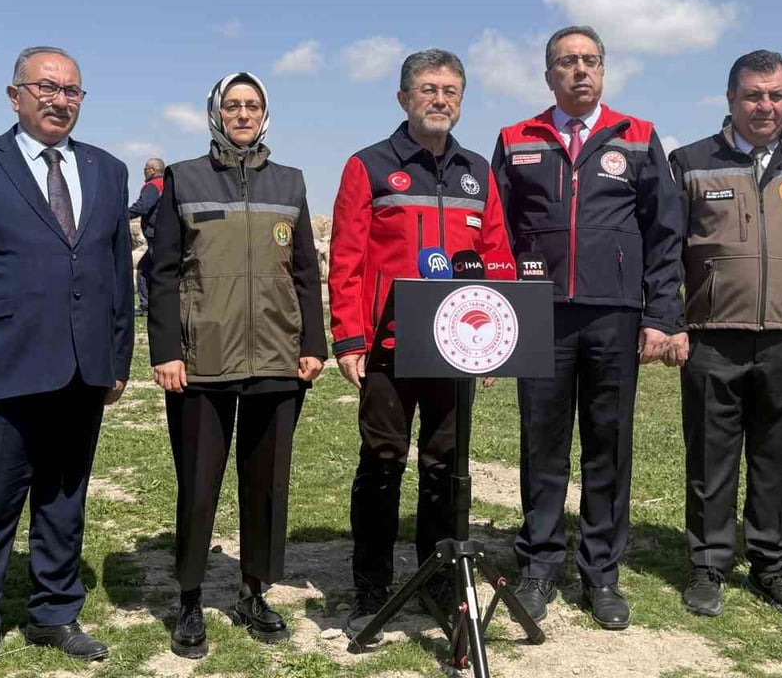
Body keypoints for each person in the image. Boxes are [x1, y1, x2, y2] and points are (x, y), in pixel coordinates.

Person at [0, 46, 133, 678]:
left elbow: (116, 271)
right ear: (15, 95)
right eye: (46, 87)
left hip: (81, 371)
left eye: (72, 91)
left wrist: (117, 355)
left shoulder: (107, 169)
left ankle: (55, 613)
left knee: (64, 502)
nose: (60, 100)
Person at [491, 25, 681, 629]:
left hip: (614, 316)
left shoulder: (641, 137)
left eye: (590, 61)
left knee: (608, 445)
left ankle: (602, 572)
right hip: (538, 314)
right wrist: (497, 320)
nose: (580, 70)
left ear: (604, 71)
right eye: (567, 62)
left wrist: (659, 315)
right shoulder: (516, 138)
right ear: (549, 74)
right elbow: (496, 233)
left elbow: (665, 234)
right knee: (542, 444)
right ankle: (540, 565)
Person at [329, 49, 511, 636]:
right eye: (429, 88)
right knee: (382, 465)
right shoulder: (369, 166)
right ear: (404, 97)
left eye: (452, 90)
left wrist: (493, 348)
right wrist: (349, 339)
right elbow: (348, 259)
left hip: (457, 352)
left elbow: (497, 262)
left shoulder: (478, 172)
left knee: (444, 469)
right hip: (386, 349)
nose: (440, 99)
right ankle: (372, 587)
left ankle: (435, 579)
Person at [667, 50, 782, 621]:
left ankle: (771, 564)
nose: (765, 106)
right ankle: (707, 564)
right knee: (710, 453)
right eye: (753, 95)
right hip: (711, 337)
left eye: (776, 95)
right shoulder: (691, 162)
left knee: (777, 456)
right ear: (730, 99)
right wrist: (670, 323)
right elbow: (665, 251)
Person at [147, 72, 325, 658]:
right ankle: (191, 599)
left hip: (278, 353)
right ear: (215, 113)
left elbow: (304, 272)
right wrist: (167, 350)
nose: (242, 114)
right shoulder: (184, 178)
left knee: (268, 483)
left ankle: (254, 591)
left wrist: (313, 344)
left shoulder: (290, 182)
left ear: (265, 115)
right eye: (233, 105)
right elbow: (164, 271)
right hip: (202, 358)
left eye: (252, 105)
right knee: (199, 484)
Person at [128, 156, 165, 315]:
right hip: (165, 233)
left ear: (152, 170)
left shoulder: (152, 186)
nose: (143, 172)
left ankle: (146, 306)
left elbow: (143, 206)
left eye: (145, 169)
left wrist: (121, 215)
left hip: (154, 233)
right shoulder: (168, 184)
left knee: (144, 270)